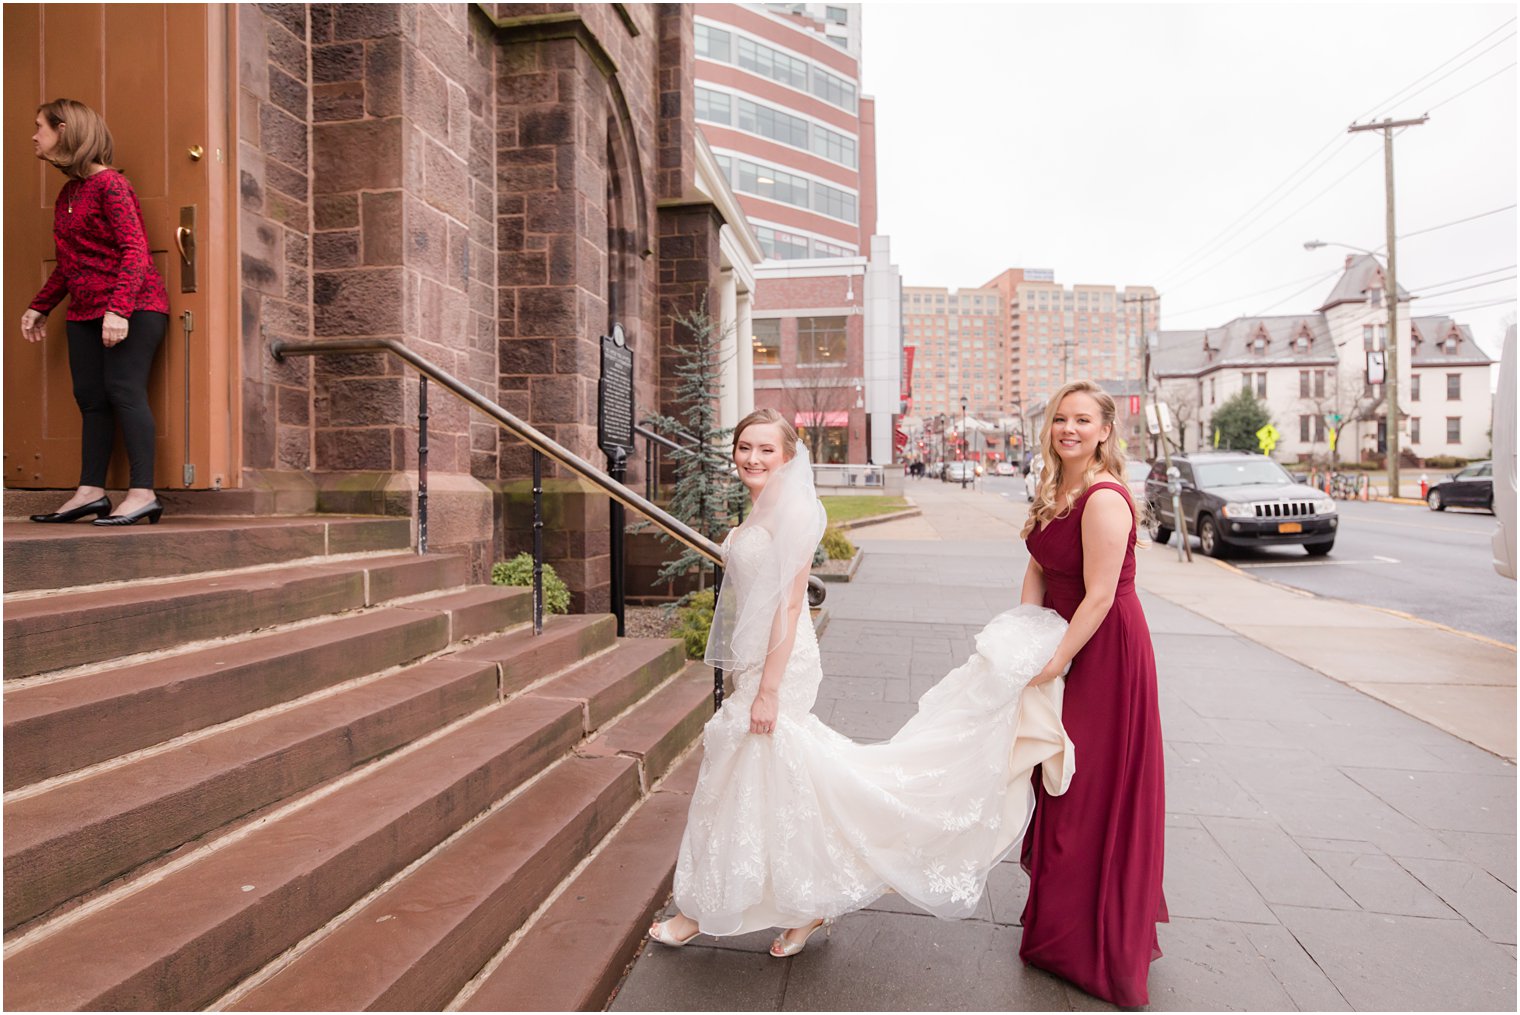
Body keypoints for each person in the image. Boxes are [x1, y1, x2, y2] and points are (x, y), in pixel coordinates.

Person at [648, 407, 1076, 958]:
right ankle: (807, 903)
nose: (752, 459)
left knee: (738, 770)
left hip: (781, 662)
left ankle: (698, 911)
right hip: (756, 659)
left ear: (788, 454)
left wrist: (770, 689)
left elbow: (786, 605)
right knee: (778, 778)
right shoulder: (765, 504)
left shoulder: (796, 511)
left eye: (765, 450)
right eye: (744, 448)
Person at [1016, 380, 1167, 1007]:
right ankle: (1058, 936)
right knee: (1058, 781)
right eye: (1060, 420)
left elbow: (1101, 595)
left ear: (1106, 429)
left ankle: (1096, 946)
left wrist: (1053, 662)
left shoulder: (1104, 498)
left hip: (1103, 651)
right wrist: (1021, 634)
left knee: (1086, 788)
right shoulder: (1055, 489)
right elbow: (1038, 569)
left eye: (1082, 420)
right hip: (1063, 638)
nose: (1068, 429)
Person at [21, 98, 170, 526]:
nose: (34, 136)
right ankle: (90, 492)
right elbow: (71, 263)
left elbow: (135, 250)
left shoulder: (111, 186)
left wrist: (119, 309)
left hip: (134, 307)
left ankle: (142, 494)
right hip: (85, 311)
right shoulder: (69, 192)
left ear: (65, 130)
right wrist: (40, 306)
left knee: (124, 390)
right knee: (90, 399)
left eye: (40, 127)